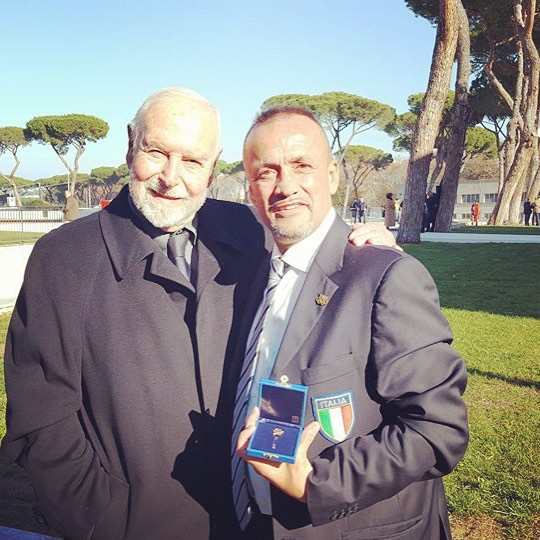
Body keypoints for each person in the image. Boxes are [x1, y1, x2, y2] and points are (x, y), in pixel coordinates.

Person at [2, 88, 398, 540]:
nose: (172, 177)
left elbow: (315, 254)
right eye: (156, 152)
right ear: (131, 142)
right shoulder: (62, 258)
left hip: (257, 514)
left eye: (192, 161)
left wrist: (364, 249)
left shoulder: (252, 230)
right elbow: (41, 418)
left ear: (214, 165)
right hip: (134, 525)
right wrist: (95, 519)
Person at [235, 107, 468, 539]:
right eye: (265, 172)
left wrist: (315, 484)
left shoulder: (385, 275)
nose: (285, 186)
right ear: (250, 189)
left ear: (333, 175)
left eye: (301, 165)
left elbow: (436, 429)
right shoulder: (249, 277)